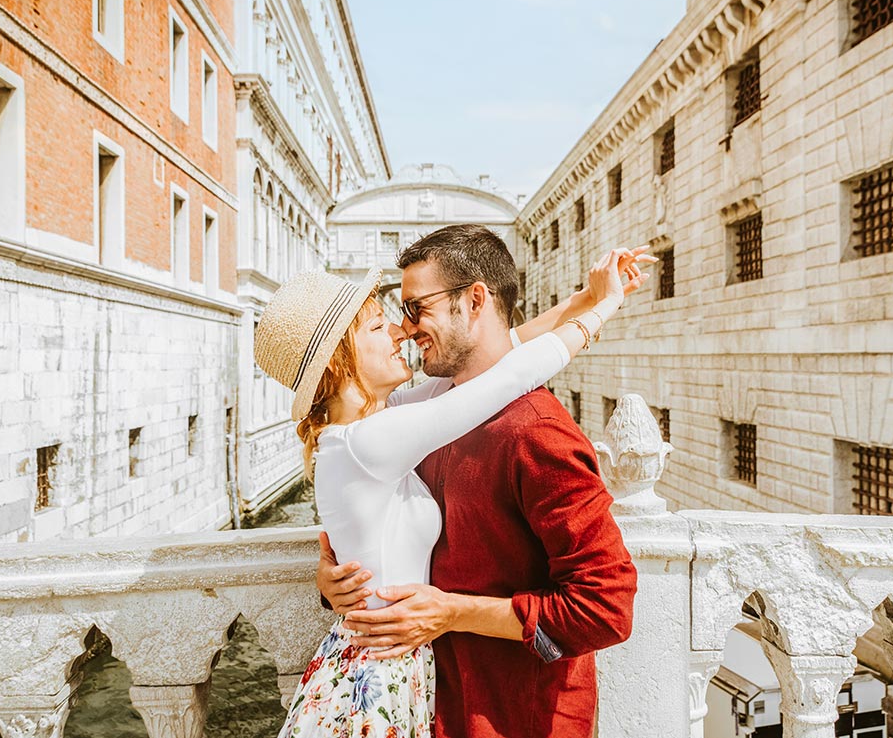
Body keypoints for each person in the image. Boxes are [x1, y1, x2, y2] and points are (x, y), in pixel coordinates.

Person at [253, 229, 650, 738]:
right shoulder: (393, 429)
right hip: (423, 695)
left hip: (509, 718)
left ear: (476, 299)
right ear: (339, 360)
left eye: (415, 308)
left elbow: (606, 608)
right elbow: (502, 372)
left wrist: (590, 303)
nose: (403, 329)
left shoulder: (528, 431)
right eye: (384, 322)